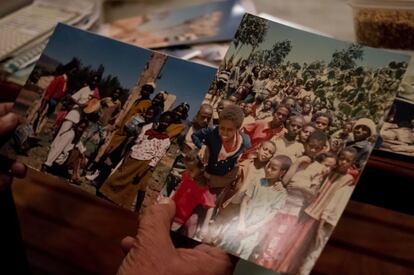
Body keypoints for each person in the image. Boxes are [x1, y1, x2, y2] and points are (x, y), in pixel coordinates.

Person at [0, 102, 235, 275]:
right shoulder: (157, 128)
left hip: (155, 168)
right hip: (136, 157)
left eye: (175, 117)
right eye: (165, 117)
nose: (166, 121)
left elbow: (158, 156)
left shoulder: (173, 135)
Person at [99, 111, 174, 211]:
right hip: (133, 157)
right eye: (163, 121)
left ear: (170, 124)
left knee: (131, 185)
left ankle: (119, 205)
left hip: (143, 163)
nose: (164, 123)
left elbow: (156, 158)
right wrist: (127, 155)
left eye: (167, 123)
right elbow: (137, 144)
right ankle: (106, 195)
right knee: (117, 177)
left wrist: (143, 171)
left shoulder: (166, 141)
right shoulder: (148, 130)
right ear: (160, 120)